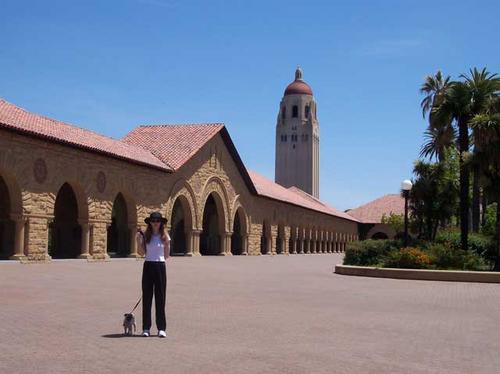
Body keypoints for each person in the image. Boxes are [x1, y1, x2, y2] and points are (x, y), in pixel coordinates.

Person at [136, 211, 170, 338]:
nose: (155, 223)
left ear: (161, 223)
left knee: (160, 298)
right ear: (150, 223)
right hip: (148, 266)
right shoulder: (145, 235)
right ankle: (146, 328)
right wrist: (138, 241)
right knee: (147, 297)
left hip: (160, 266)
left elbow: (166, 256)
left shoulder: (165, 236)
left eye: (157, 221)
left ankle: (161, 328)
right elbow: (141, 253)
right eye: (153, 221)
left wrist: (167, 244)